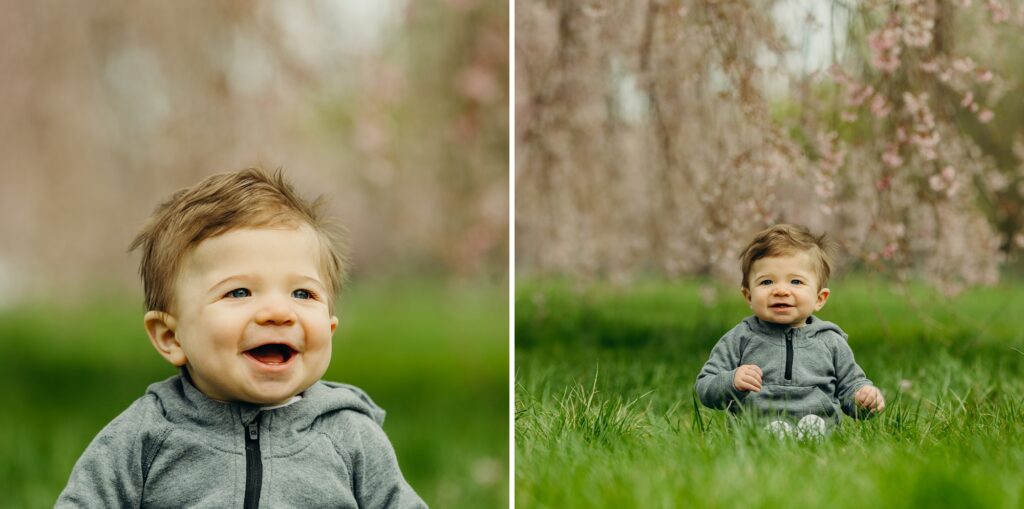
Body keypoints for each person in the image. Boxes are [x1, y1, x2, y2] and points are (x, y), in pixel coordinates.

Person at [57, 168, 426, 508]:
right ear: (171, 337)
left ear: (329, 328)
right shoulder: (145, 435)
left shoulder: (348, 434)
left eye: (302, 294)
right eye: (239, 293)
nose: (278, 313)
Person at [694, 224, 885, 437]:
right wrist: (731, 381)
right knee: (768, 434)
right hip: (754, 439)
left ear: (819, 298)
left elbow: (850, 386)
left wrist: (863, 398)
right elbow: (705, 385)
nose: (781, 291)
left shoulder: (831, 341)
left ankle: (813, 434)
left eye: (796, 281)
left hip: (823, 444)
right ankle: (769, 435)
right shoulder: (740, 338)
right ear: (749, 296)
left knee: (815, 427)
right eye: (767, 282)